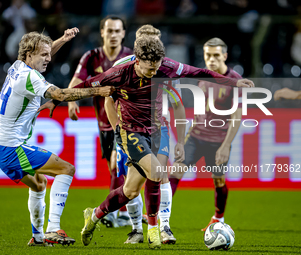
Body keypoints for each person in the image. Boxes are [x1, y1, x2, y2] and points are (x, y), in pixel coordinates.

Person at [40, 36, 254, 249]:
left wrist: (234, 82)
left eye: (156, 68)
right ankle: (154, 229)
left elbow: (200, 72)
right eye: (148, 69)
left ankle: (94, 215)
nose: (153, 73)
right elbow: (85, 86)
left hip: (155, 131)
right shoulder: (119, 73)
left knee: (130, 191)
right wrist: (56, 100)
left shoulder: (168, 67)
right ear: (137, 61)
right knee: (158, 172)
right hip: (130, 132)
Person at [0, 28, 114, 247]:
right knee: (66, 169)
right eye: (43, 55)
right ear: (29, 55)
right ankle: (53, 228)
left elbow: (39, 52)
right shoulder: (31, 78)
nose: (48, 58)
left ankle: (37, 238)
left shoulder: (18, 66)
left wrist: (62, 40)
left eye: (49, 53)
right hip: (10, 147)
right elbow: (61, 95)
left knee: (39, 184)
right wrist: (98, 91)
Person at [110, 24, 183, 245]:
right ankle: (136, 230)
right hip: (130, 131)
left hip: (159, 128)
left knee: (161, 175)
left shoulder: (167, 69)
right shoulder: (121, 67)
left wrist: (179, 138)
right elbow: (108, 101)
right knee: (131, 181)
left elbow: (177, 104)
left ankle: (165, 227)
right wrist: (117, 134)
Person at [169, 37, 243, 231]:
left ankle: (218, 218)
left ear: (225, 56)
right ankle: (161, 214)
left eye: (216, 55)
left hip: (218, 141)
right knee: (175, 171)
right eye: (208, 55)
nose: (211, 59)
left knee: (218, 180)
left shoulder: (235, 80)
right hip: (195, 135)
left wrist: (226, 145)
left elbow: (237, 115)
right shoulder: (203, 75)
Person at [67, 15, 134, 227]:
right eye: (110, 31)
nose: (113, 35)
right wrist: (71, 101)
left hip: (125, 121)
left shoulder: (131, 57)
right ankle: (124, 212)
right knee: (115, 168)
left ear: (123, 33)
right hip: (104, 123)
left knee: (117, 164)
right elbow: (76, 81)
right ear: (102, 32)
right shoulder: (91, 57)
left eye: (117, 31)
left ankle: (112, 213)